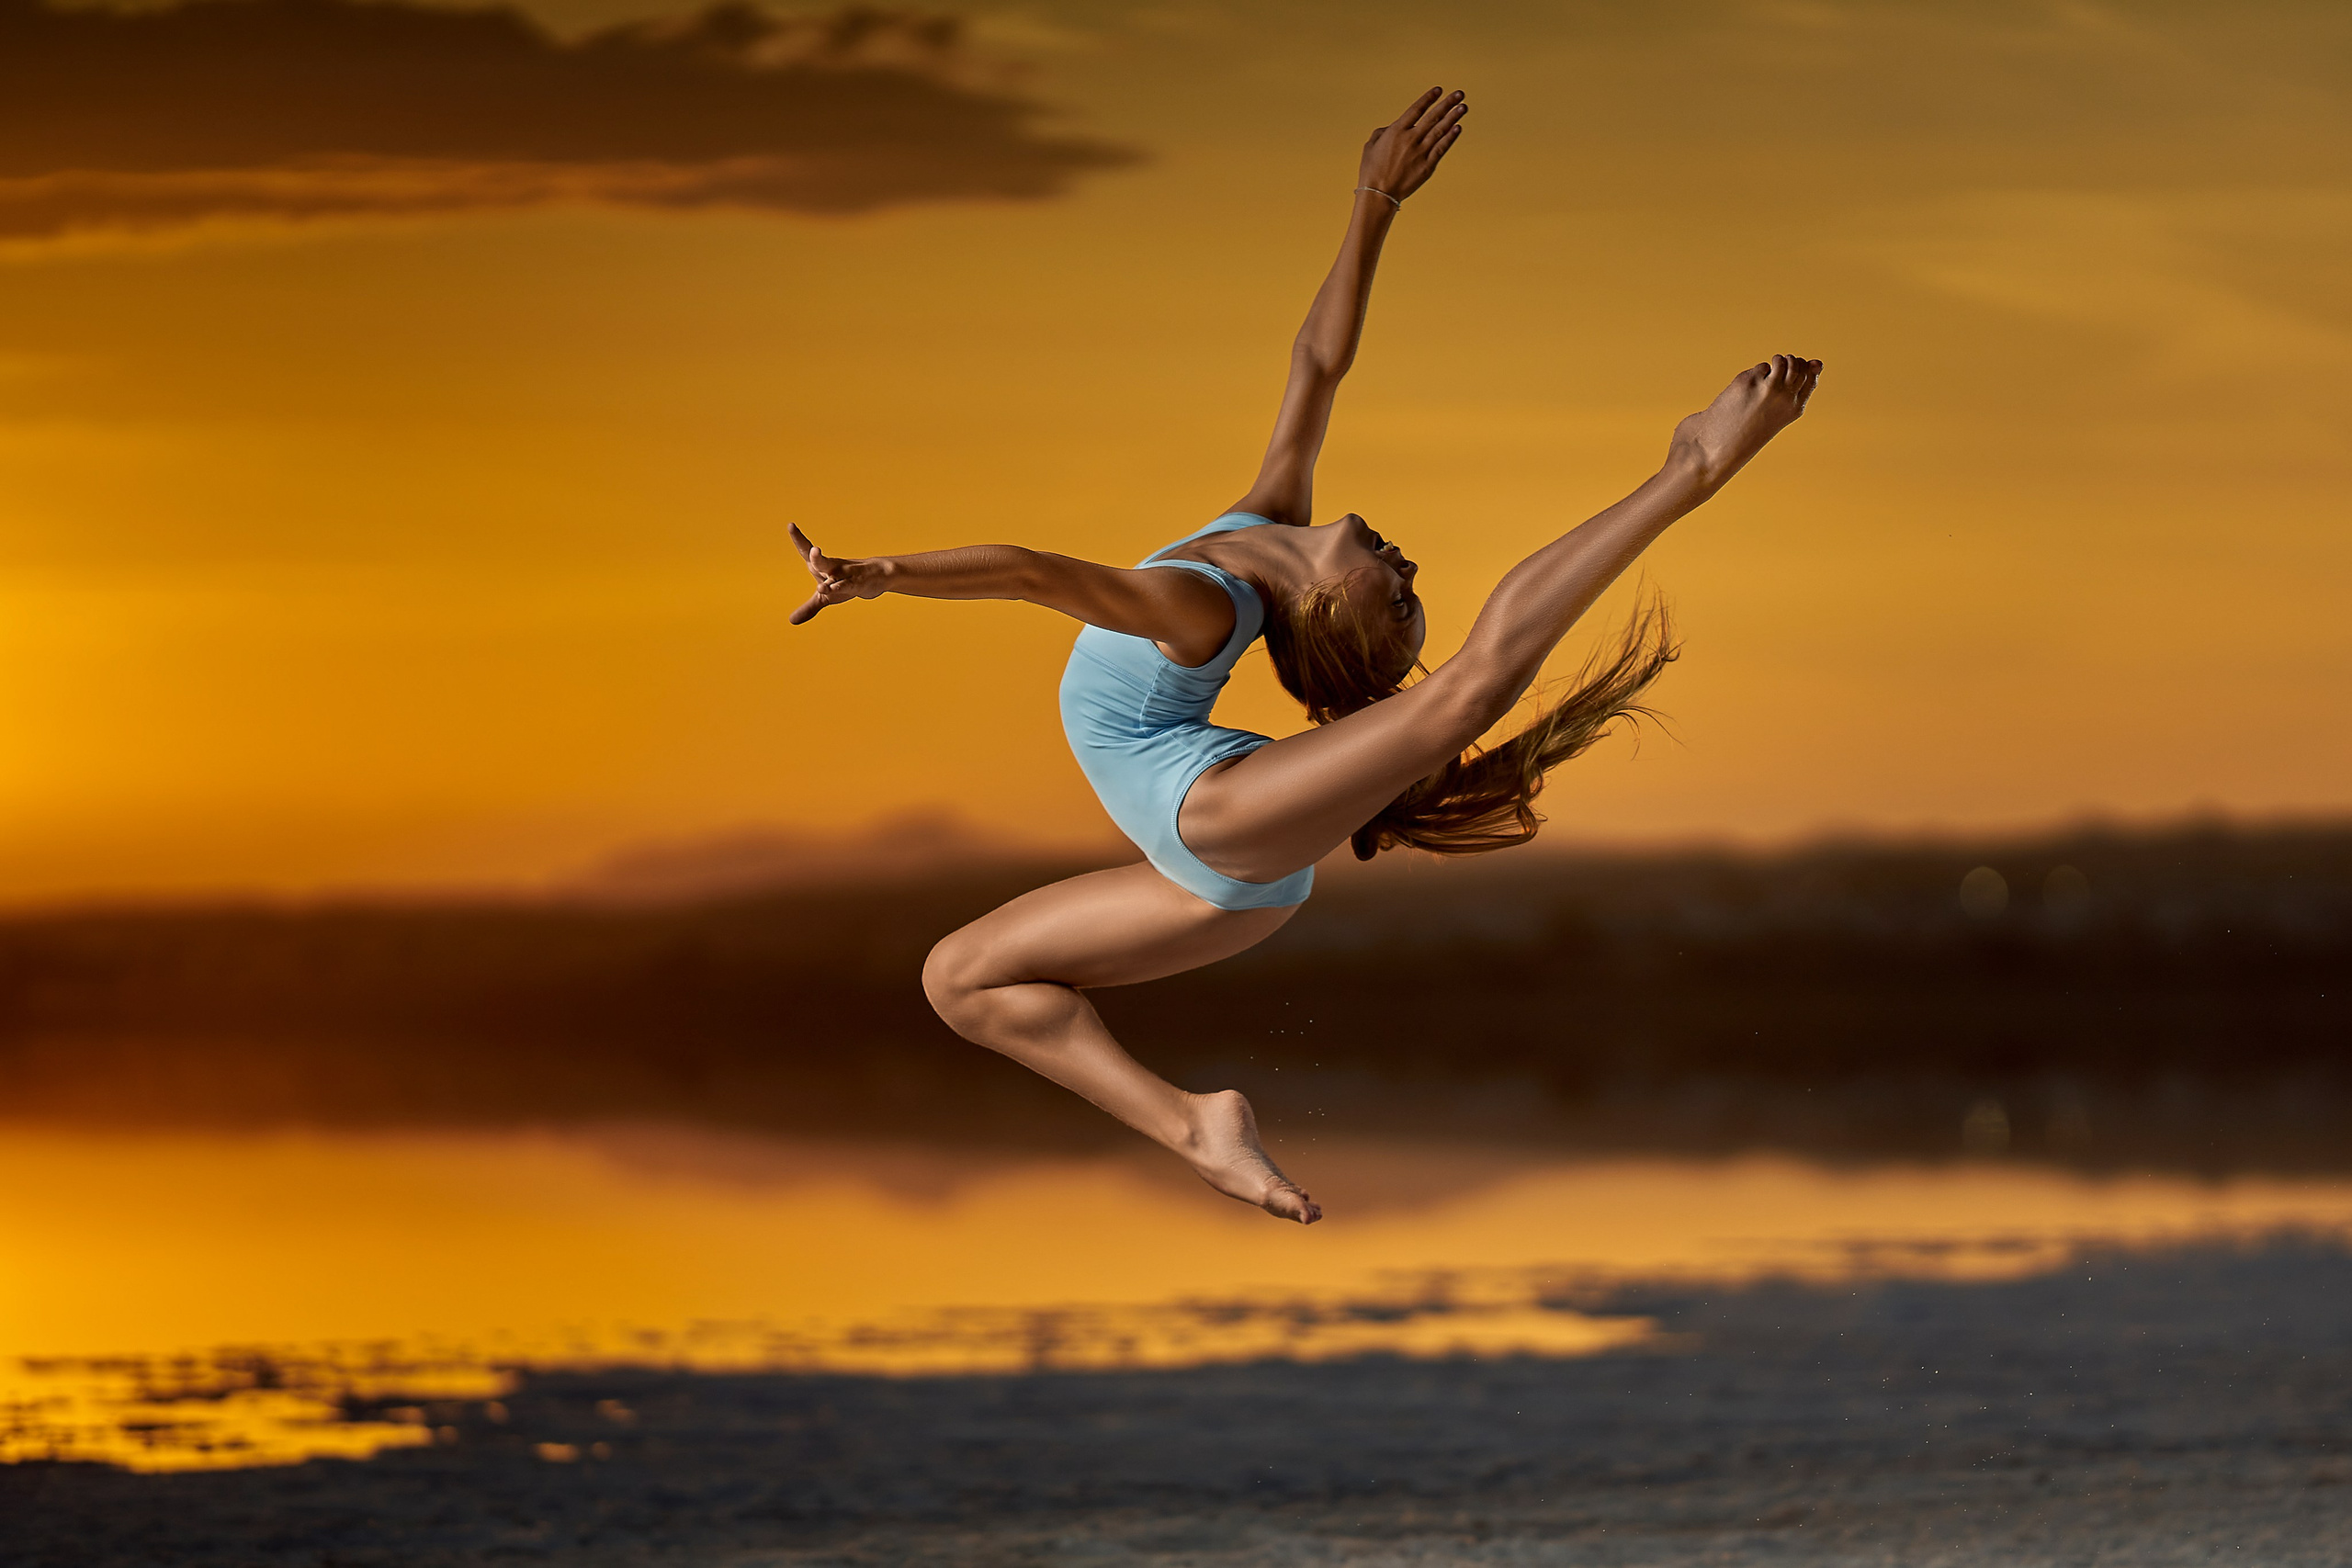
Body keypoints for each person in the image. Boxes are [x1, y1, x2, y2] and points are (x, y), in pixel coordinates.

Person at [789, 88, 1821, 1224]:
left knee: (1465, 691)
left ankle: (1684, 475)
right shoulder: (1263, 524)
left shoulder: (1197, 604)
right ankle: (1196, 1125)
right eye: (1411, 594)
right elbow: (1316, 368)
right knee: (960, 979)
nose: (1409, 570)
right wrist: (1376, 197)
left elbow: (1037, 573)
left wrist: (884, 574)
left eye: (1399, 603)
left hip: (1211, 823)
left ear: (1328, 611)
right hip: (1208, 870)